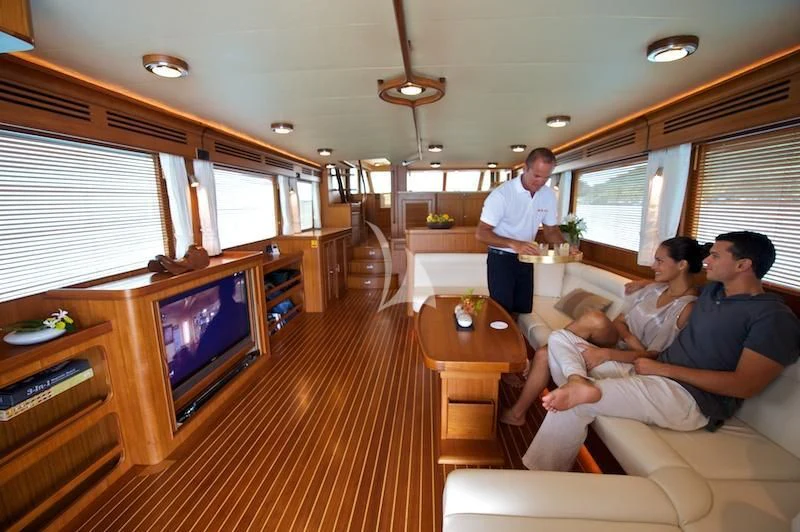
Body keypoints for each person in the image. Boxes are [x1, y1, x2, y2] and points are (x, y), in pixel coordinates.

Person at [522, 231, 800, 472]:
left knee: (576, 402)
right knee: (560, 339)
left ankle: (541, 476)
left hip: (690, 398)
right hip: (650, 374)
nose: (706, 261)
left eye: (715, 256)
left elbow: (745, 385)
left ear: (743, 265)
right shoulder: (713, 292)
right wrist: (648, 283)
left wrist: (663, 369)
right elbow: (679, 284)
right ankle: (577, 379)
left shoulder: (772, 317)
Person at [501, 236, 709, 426]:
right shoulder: (651, 289)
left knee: (545, 353)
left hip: (631, 360)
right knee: (595, 318)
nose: (653, 266)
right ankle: (543, 396)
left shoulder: (686, 308)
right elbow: (619, 322)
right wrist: (629, 336)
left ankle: (518, 412)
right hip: (618, 342)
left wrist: (606, 353)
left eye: (660, 261)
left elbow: (655, 356)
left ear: (682, 265)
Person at [475, 147, 566, 316]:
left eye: (546, 177)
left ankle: (516, 342)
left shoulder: (548, 195)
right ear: (525, 169)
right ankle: (500, 342)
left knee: (521, 310)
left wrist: (566, 247)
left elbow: (551, 230)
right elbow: (481, 233)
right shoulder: (502, 195)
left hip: (526, 258)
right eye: (537, 176)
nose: (541, 182)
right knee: (501, 312)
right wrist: (513, 243)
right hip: (501, 259)